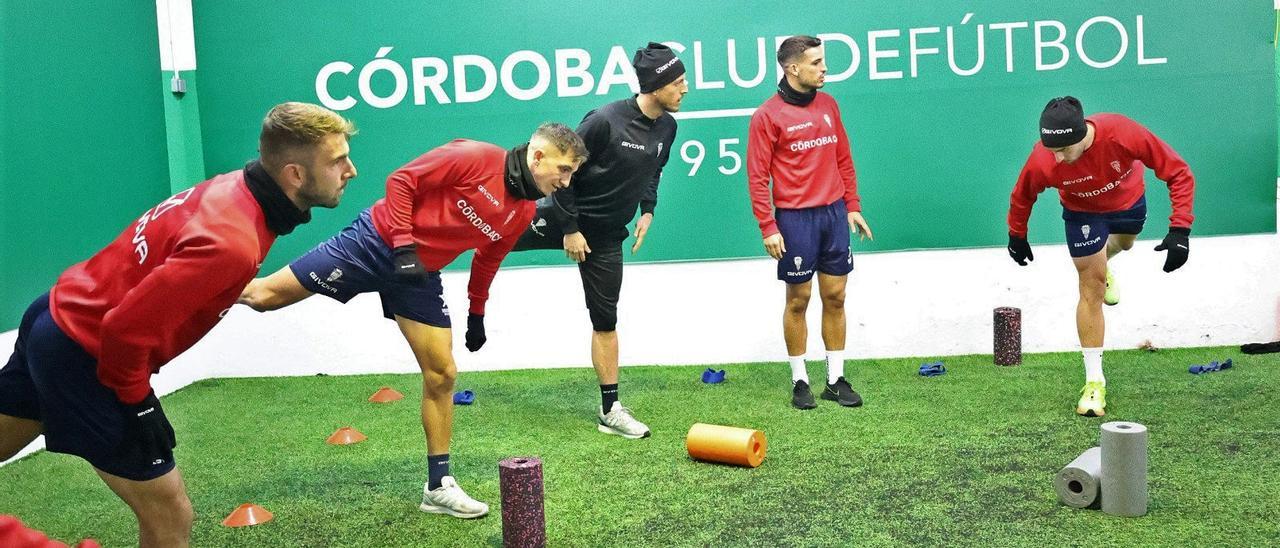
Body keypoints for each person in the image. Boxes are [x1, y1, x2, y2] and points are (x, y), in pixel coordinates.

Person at [0, 102, 357, 547]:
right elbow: (123, 331)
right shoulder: (233, 241)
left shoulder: (233, 189)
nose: (351, 170)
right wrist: (139, 402)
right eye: (337, 160)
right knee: (170, 513)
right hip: (86, 351)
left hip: (53, 315)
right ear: (295, 175)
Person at [238, 123, 587, 518]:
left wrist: (477, 313)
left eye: (571, 173)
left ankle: (438, 486)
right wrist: (404, 244)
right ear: (538, 157)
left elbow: (488, 258)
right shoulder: (474, 157)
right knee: (263, 297)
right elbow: (402, 181)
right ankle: (200, 286)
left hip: (419, 275)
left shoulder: (521, 211)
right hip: (375, 242)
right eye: (563, 169)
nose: (565, 181)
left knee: (442, 374)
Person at [511, 42, 686, 439]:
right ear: (655, 85)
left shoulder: (668, 127)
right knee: (488, 233)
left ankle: (611, 409)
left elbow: (653, 170)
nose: (684, 88)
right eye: (677, 81)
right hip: (563, 219)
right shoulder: (605, 120)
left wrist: (648, 209)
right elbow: (564, 172)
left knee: (605, 320)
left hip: (606, 237)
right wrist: (570, 227)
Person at [1006, 96, 1195, 417]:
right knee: (1090, 287)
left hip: (1129, 206)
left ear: (1081, 136)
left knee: (1124, 245)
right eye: (1052, 149)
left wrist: (1180, 230)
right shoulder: (1044, 159)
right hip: (1082, 215)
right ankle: (1094, 382)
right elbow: (1022, 196)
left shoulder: (1122, 133)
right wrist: (1016, 234)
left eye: (1064, 150)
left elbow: (1178, 172)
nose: (1057, 157)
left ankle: (1103, 264)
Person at [746, 35, 873, 410]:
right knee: (798, 300)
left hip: (833, 215)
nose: (824, 68)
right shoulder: (767, 116)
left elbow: (843, 160)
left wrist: (852, 205)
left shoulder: (829, 105)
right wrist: (768, 226)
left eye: (823, 61)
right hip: (794, 220)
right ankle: (800, 379)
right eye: (816, 62)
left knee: (836, 296)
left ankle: (835, 379)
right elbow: (757, 177)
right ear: (792, 68)